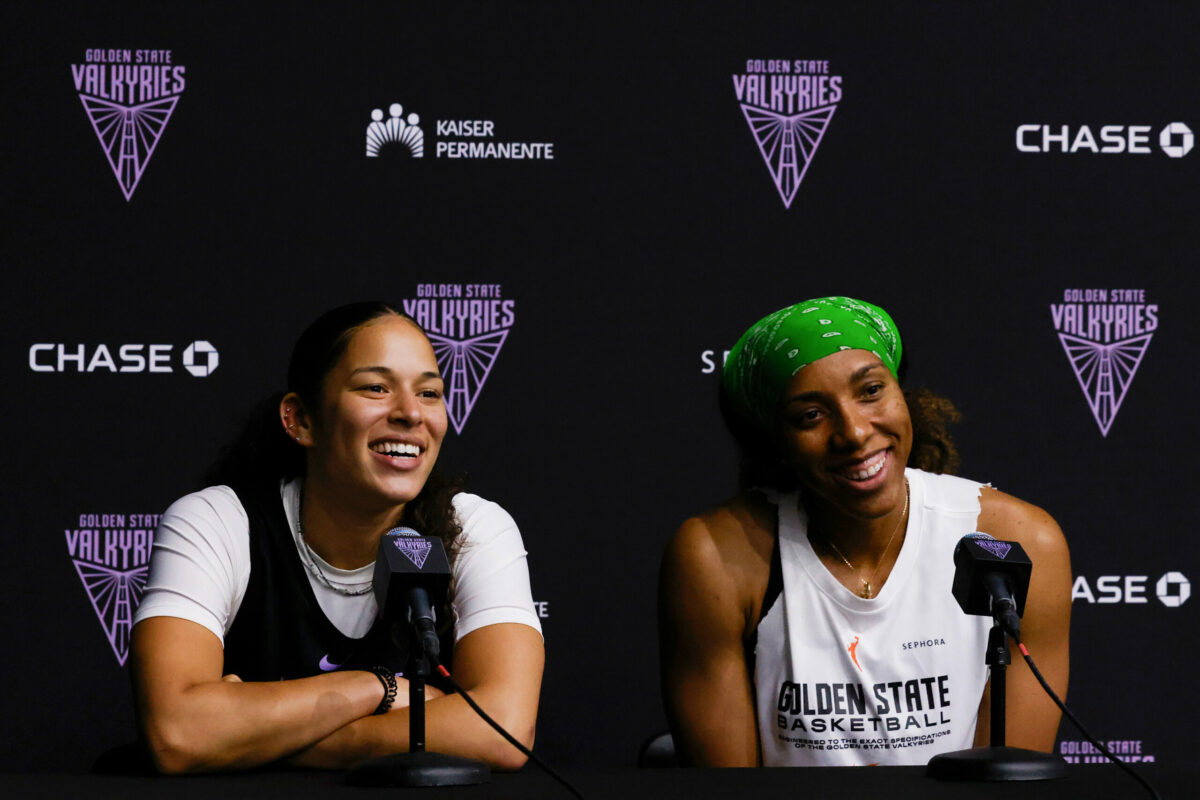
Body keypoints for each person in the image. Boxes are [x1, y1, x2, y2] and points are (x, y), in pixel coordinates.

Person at [130, 302, 544, 773]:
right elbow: (178, 734)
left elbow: (504, 729)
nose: (411, 413)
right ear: (301, 420)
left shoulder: (473, 529)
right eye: (375, 387)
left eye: (430, 393)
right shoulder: (215, 522)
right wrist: (378, 688)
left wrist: (264, 740)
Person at [659, 297, 1071, 766]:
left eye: (871, 391)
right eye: (811, 415)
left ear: (902, 394)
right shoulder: (717, 557)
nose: (854, 431)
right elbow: (730, 793)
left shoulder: (1018, 541)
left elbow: (1007, 782)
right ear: (775, 442)